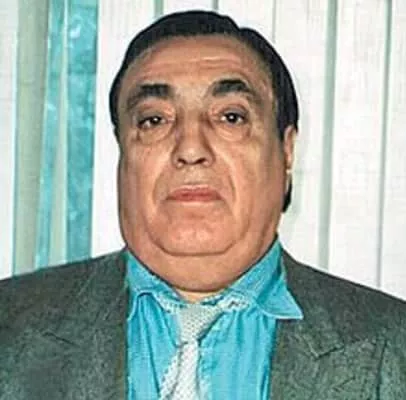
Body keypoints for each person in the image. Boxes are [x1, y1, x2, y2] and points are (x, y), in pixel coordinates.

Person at [1, 10, 406, 400]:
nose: (191, 148)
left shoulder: (394, 347)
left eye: (231, 117)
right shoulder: (10, 329)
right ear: (122, 152)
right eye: (154, 120)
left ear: (286, 152)